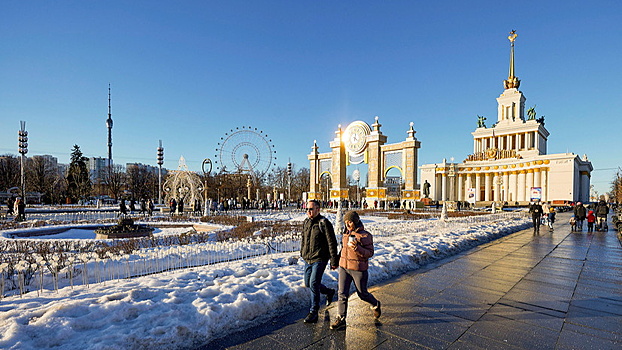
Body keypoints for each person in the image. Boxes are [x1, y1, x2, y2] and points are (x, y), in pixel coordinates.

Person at [330, 211, 381, 330]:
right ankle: (341, 318)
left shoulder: (365, 235)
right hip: (344, 267)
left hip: (358, 269)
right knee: (342, 293)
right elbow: (343, 249)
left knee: (362, 294)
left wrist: (357, 248)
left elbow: (370, 253)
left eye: (350, 222)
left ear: (356, 221)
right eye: (346, 222)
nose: (348, 225)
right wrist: (336, 262)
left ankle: (375, 304)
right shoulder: (346, 233)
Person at [300, 199, 339, 323]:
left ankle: (314, 312)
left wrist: (333, 260)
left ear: (318, 209)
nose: (308, 211)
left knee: (314, 283)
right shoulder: (306, 222)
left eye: (311, 209)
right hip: (308, 258)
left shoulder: (324, 223)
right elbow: (303, 239)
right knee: (308, 283)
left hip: (320, 258)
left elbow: (332, 242)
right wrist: (303, 252)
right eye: (307, 209)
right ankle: (329, 292)